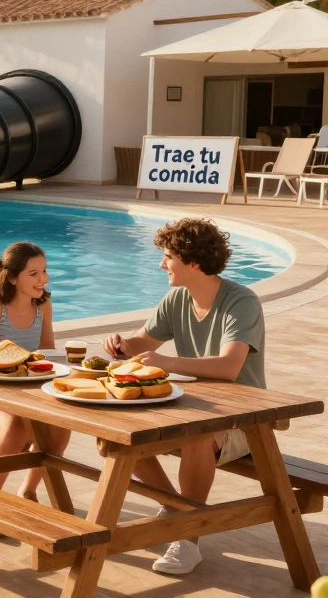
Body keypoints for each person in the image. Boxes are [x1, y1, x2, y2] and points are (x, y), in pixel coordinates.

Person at [102, 218, 265, 576]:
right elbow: (142, 344)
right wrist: (121, 345)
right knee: (116, 429)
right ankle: (174, 506)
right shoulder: (176, 298)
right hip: (193, 408)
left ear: (193, 263)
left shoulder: (241, 301)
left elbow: (229, 367)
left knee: (197, 436)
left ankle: (188, 540)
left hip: (244, 419)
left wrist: (167, 361)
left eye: (168, 257)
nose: (162, 264)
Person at [0, 242, 70, 534]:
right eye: (33, 273)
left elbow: (48, 351)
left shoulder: (43, 306)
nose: (43, 279)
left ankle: (28, 490)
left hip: (30, 396)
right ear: (12, 278)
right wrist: (2, 359)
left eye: (44, 271)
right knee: (17, 426)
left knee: (61, 427)